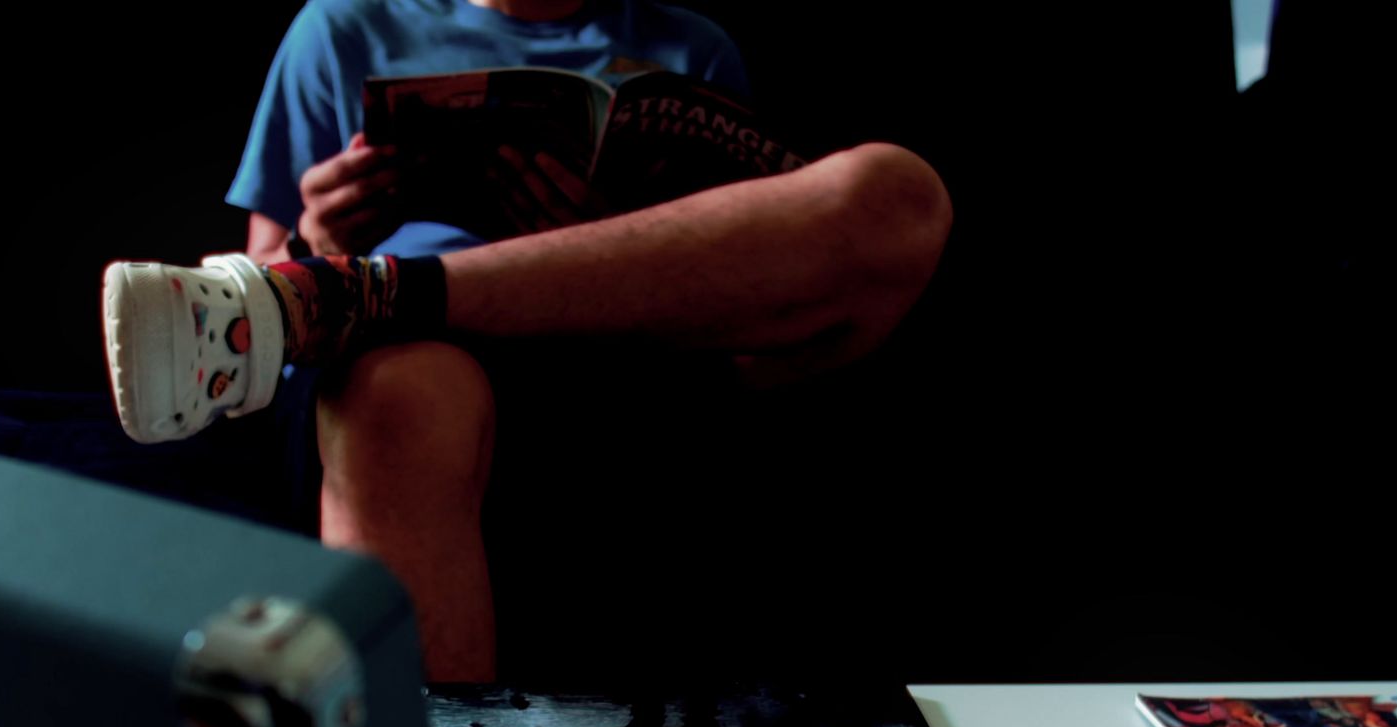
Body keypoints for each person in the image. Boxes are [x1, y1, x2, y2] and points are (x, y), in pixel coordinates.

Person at [100, 0, 951, 681]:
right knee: (401, 389)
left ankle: (356, 296)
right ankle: (346, 291)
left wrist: (620, 235)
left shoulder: (689, 44)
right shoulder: (343, 27)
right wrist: (315, 237)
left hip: (637, 346)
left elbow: (745, 257)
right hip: (413, 366)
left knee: (896, 195)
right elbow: (256, 298)